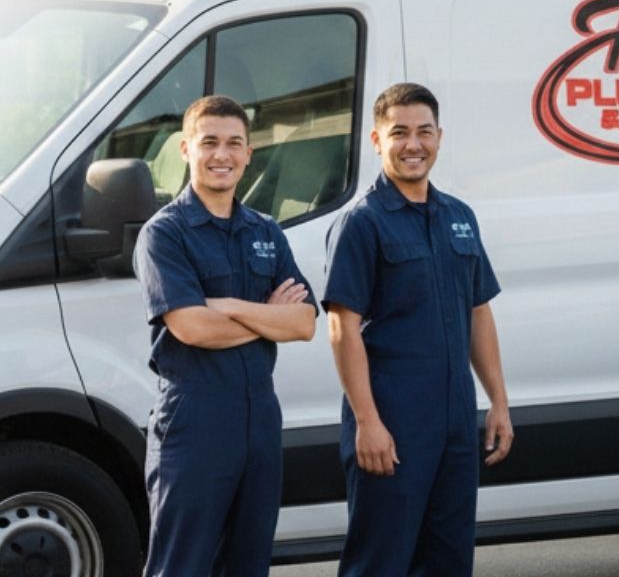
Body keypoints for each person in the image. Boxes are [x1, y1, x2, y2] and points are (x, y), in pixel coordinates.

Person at [324, 83, 513, 577]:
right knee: (380, 561)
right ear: (376, 140)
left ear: (439, 137)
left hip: (454, 420)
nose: (414, 144)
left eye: (423, 132)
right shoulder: (362, 223)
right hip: (394, 421)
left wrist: (497, 400)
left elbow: (478, 311)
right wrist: (367, 422)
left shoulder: (459, 217)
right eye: (400, 132)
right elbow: (342, 326)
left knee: (448, 559)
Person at [133, 94, 318, 577]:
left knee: (248, 563)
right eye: (209, 142)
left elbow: (303, 323)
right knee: (182, 565)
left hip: (259, 417)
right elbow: (191, 327)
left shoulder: (266, 231)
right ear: (186, 149)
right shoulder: (165, 234)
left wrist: (231, 307)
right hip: (196, 418)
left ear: (249, 153)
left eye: (234, 143)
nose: (223, 154)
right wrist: (265, 318)